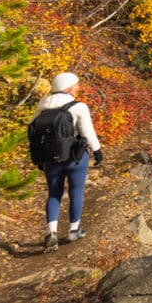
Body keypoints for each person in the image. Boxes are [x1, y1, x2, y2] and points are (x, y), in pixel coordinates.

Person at [33, 71, 103, 251]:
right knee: (76, 191)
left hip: (50, 159)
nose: (78, 87)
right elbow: (87, 132)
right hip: (74, 157)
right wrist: (97, 150)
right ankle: (74, 230)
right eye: (75, 85)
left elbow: (34, 131)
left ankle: (51, 232)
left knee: (54, 194)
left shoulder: (43, 105)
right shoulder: (79, 107)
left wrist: (40, 157)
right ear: (68, 87)